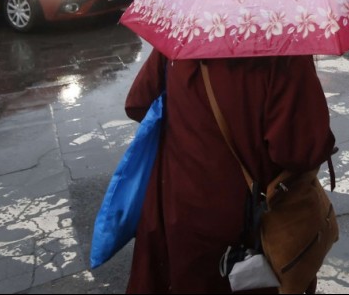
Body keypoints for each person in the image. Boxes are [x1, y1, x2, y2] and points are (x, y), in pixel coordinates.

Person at [124, 49, 336, 293]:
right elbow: (300, 152)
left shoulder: (182, 39)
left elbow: (138, 104)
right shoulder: (285, 50)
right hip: (247, 223)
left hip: (177, 205)